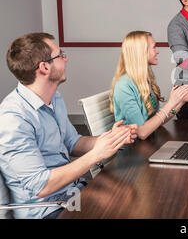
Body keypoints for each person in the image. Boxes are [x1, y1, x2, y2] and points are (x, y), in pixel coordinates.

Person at [0, 32, 137, 219]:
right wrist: (96, 154)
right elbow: (41, 186)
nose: (66, 59)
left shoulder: (53, 97)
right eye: (60, 55)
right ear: (44, 67)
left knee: (132, 197)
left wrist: (110, 139)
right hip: (46, 210)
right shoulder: (14, 118)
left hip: (72, 194)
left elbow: (73, 142)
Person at [110, 31, 188, 140]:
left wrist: (181, 101)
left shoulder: (144, 80)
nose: (157, 51)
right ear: (141, 52)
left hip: (149, 142)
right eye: (154, 47)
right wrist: (171, 102)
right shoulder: (124, 86)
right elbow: (142, 133)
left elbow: (159, 120)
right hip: (132, 150)